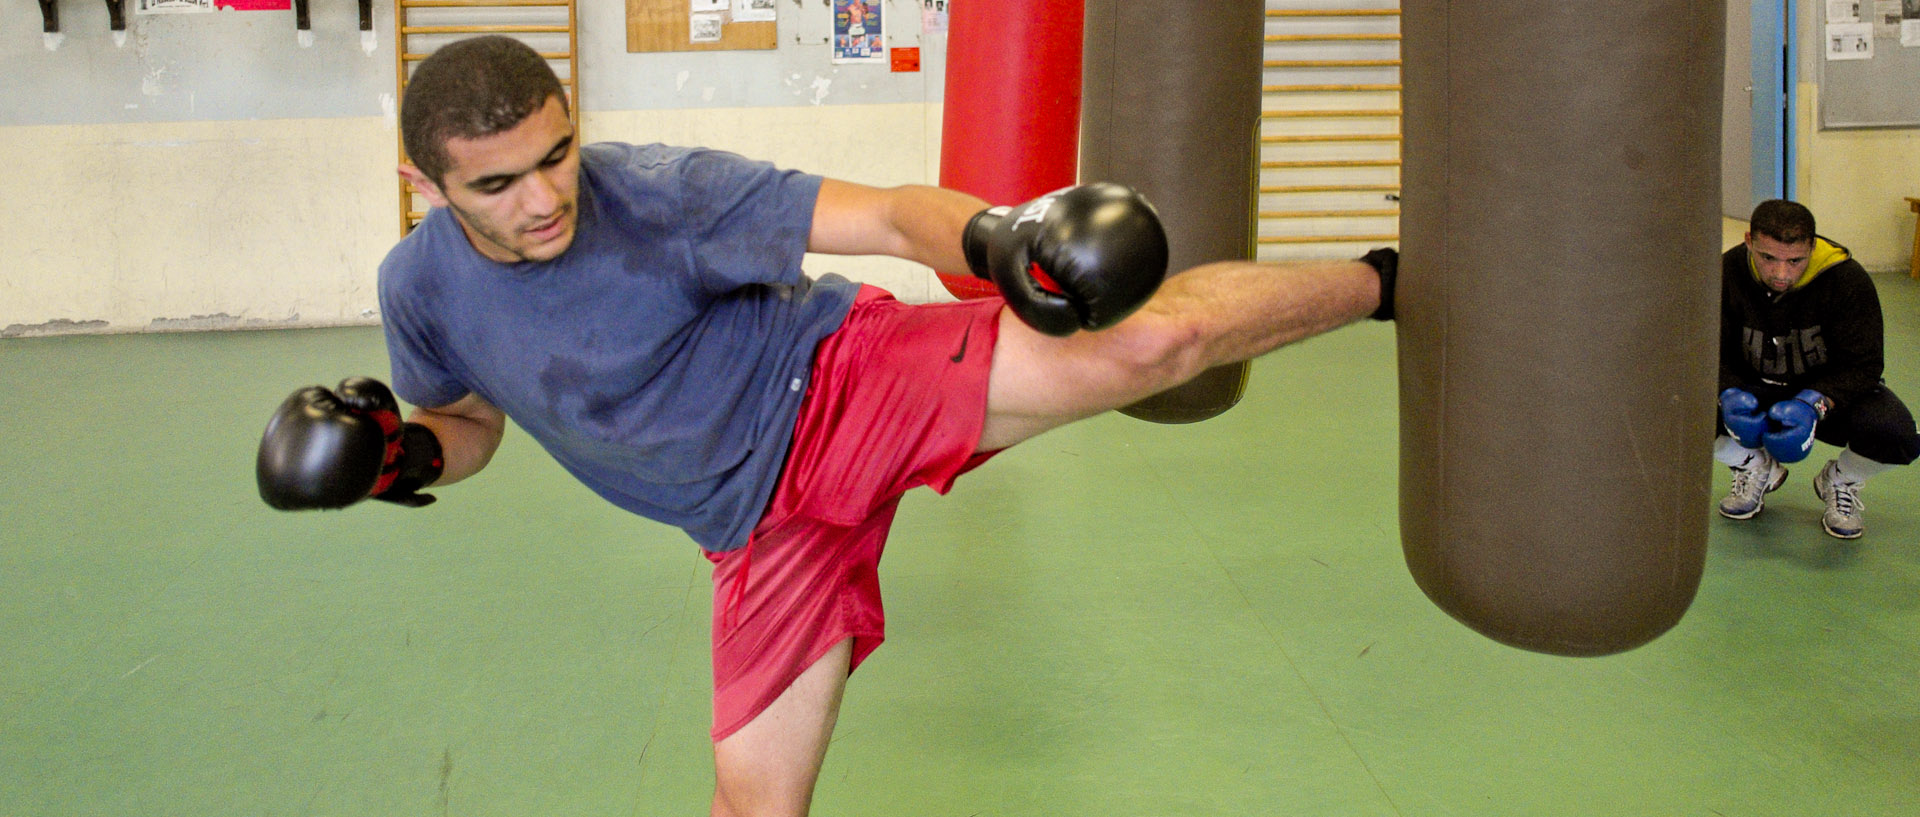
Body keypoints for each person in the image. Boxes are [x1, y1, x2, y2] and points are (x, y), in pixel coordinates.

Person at [254, 36, 1394, 817]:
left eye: (556, 155)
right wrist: (401, 456)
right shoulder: (419, 288)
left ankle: (1385, 279)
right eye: (498, 184)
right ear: (426, 184)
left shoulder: (660, 192)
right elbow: (470, 418)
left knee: (1150, 346)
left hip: (844, 385)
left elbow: (895, 217)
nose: (546, 198)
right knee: (754, 801)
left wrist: (997, 241)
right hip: (756, 528)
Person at [1716, 199, 1917, 538]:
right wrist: (1728, 392)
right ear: (1749, 241)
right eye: (1768, 258)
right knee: (1670, 406)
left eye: (1795, 260)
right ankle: (1753, 464)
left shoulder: (1846, 280)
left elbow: (1865, 364)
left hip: (1821, 394)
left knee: (1896, 434)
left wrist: (1815, 402)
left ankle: (1840, 480)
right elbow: (1701, 350)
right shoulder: (1726, 272)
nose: (1781, 274)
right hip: (1753, 390)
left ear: (1811, 246)